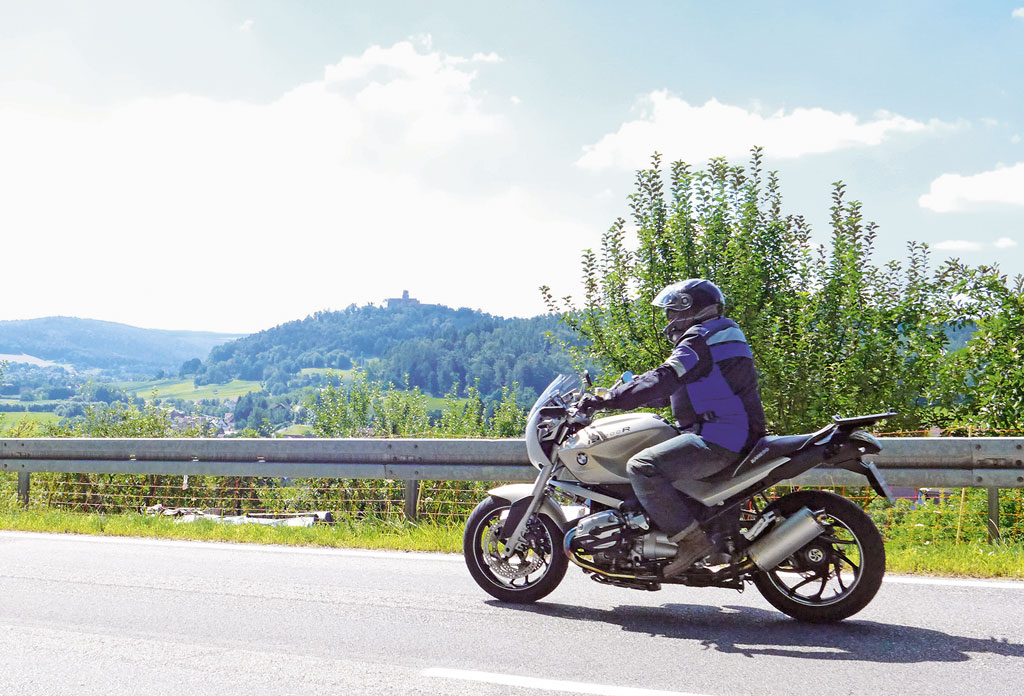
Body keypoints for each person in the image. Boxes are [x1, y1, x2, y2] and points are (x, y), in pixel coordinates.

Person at [580, 279, 767, 577]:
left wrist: (609, 399)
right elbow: (678, 389)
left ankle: (691, 542)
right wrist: (631, 394)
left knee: (642, 467)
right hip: (734, 432)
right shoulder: (721, 333)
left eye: (671, 312)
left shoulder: (700, 338)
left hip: (720, 437)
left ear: (689, 310)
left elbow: (667, 376)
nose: (668, 319)